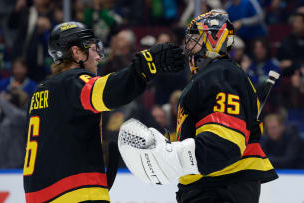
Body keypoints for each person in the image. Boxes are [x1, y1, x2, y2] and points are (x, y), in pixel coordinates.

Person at [118, 10, 278, 203]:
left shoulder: (222, 74)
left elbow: (224, 143)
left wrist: (172, 157)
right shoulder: (213, 76)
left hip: (221, 186)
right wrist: (169, 145)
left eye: (195, 38)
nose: (188, 45)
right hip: (213, 185)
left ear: (214, 40)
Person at [23, 21, 184, 203]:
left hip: (38, 195)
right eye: (93, 49)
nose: (99, 56)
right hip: (75, 194)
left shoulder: (39, 91)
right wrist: (145, 66)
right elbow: (108, 92)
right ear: (76, 52)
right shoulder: (74, 82)